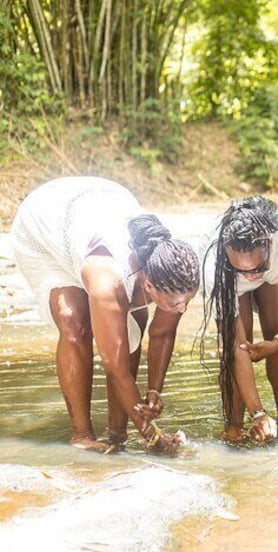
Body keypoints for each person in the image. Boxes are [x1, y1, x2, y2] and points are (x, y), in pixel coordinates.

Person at [11, 176, 199, 452]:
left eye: (187, 301)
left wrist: (154, 391)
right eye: (175, 304)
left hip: (101, 202)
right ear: (148, 285)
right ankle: (82, 435)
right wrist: (155, 438)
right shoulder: (107, 281)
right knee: (75, 322)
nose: (181, 309)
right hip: (46, 222)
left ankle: (117, 434)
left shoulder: (171, 270)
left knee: (133, 328)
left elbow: (162, 332)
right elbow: (115, 367)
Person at [200, 196, 278, 443]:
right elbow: (237, 349)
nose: (250, 277)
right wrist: (257, 412)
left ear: (269, 243)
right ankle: (234, 428)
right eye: (243, 270)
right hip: (228, 282)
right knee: (237, 347)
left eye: (256, 269)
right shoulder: (213, 264)